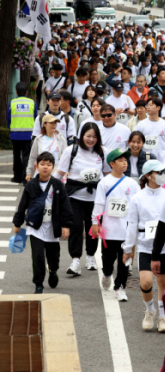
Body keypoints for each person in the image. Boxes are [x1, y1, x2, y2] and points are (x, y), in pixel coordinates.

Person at [12, 152, 73, 294]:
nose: (45, 167)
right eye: (42, 164)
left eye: (49, 164)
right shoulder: (31, 185)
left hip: (52, 227)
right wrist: (17, 223)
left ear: (53, 167)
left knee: (54, 255)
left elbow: (65, 206)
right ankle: (38, 284)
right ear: (36, 166)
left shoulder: (58, 185)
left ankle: (53, 271)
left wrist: (66, 225)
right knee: (38, 256)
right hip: (35, 227)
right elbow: (23, 205)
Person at [122, 160, 165, 333]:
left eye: (164, 172)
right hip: (145, 246)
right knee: (146, 281)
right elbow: (131, 224)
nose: (163, 175)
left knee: (163, 282)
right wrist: (128, 249)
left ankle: (163, 316)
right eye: (159, 172)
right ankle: (150, 310)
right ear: (149, 175)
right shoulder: (137, 198)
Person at [55, 123, 110, 275]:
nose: (91, 139)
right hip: (74, 196)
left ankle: (91, 256)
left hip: (95, 198)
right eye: (88, 136)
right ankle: (75, 261)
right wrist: (46, 187)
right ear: (81, 135)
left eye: (94, 137)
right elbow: (59, 173)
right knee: (76, 228)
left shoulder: (103, 152)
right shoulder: (71, 151)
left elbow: (108, 176)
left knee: (93, 230)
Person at [91, 148, 140, 301]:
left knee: (125, 261)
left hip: (126, 231)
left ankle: (120, 287)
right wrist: (94, 222)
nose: (125, 163)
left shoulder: (132, 184)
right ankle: (106, 274)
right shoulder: (104, 183)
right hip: (109, 231)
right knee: (107, 260)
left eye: (126, 160)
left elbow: (138, 205)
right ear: (112, 164)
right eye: (121, 160)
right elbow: (99, 204)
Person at [8, 82, 38, 183]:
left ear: (16, 92)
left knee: (16, 156)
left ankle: (17, 177)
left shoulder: (11, 103)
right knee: (27, 157)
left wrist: (10, 129)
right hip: (28, 135)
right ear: (27, 92)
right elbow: (35, 118)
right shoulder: (32, 103)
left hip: (15, 135)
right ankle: (26, 178)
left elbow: (9, 120)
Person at [26, 114, 68, 182]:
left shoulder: (61, 139)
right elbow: (32, 157)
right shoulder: (38, 139)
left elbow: (66, 158)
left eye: (55, 123)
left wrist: (66, 171)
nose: (54, 125)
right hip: (41, 172)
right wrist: (28, 173)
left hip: (56, 172)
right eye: (51, 123)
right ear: (44, 124)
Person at [135, 98, 165, 163]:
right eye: (147, 105)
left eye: (151, 105)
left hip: (162, 161)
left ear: (158, 108)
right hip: (145, 161)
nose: (148, 107)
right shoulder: (141, 124)